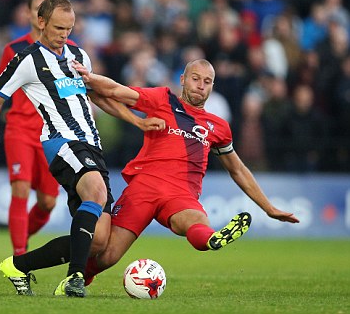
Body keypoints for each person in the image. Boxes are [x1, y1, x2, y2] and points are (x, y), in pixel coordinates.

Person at [0, 0, 163, 297]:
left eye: (69, 29)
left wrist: (139, 122)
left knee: (98, 240)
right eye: (59, 28)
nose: (64, 35)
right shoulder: (27, 60)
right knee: (96, 192)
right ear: (41, 22)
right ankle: (74, 279)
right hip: (61, 143)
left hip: (91, 145)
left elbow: (97, 97)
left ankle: (18, 265)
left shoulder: (79, 55)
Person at [70, 58, 300, 287]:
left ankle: (211, 239)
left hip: (181, 194)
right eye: (196, 78)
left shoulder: (218, 127)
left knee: (198, 222)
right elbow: (115, 90)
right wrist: (90, 78)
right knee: (108, 255)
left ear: (212, 86)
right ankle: (79, 277)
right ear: (183, 80)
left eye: (207, 81)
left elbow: (237, 169)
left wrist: (268, 208)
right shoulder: (162, 99)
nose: (201, 85)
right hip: (145, 186)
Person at [0, 0, 62, 256]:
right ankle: (19, 257)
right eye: (36, 9)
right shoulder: (14, 49)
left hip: (52, 134)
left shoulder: (68, 50)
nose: (41, 14)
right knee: (20, 189)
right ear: (29, 14)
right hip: (19, 129)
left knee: (48, 202)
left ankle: (20, 234)